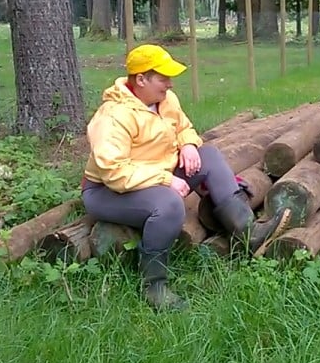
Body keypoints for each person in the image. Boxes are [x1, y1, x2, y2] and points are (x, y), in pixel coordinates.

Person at [81, 44, 289, 311]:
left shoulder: (165, 101)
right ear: (141, 79)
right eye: (163, 78)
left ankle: (248, 234)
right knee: (168, 205)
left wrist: (189, 144)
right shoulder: (113, 117)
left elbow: (184, 128)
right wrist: (166, 180)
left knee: (209, 156)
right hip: (107, 191)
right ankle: (153, 285)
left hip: (153, 175)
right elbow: (113, 171)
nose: (169, 84)